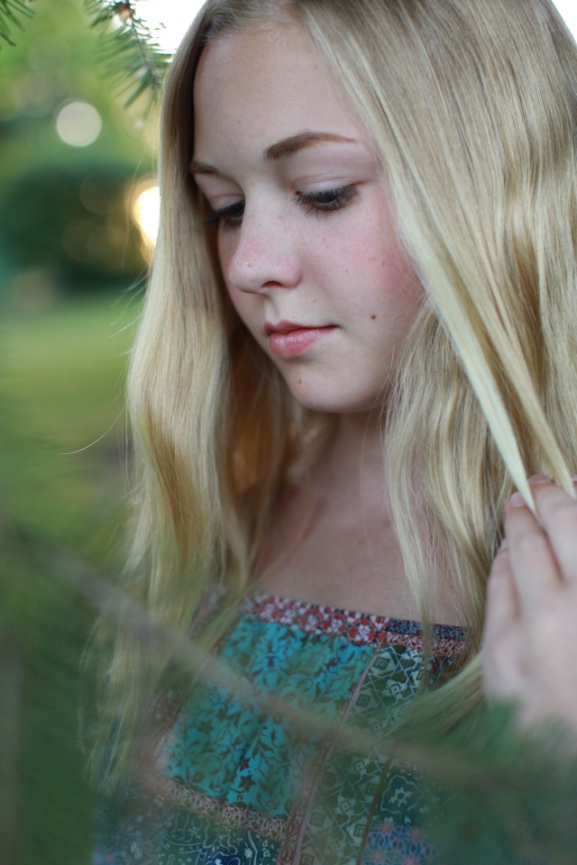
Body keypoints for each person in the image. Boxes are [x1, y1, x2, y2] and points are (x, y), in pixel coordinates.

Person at [92, 0, 577, 862]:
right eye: (225, 206)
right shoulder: (216, 515)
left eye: (323, 193)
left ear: (497, 178)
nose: (249, 263)